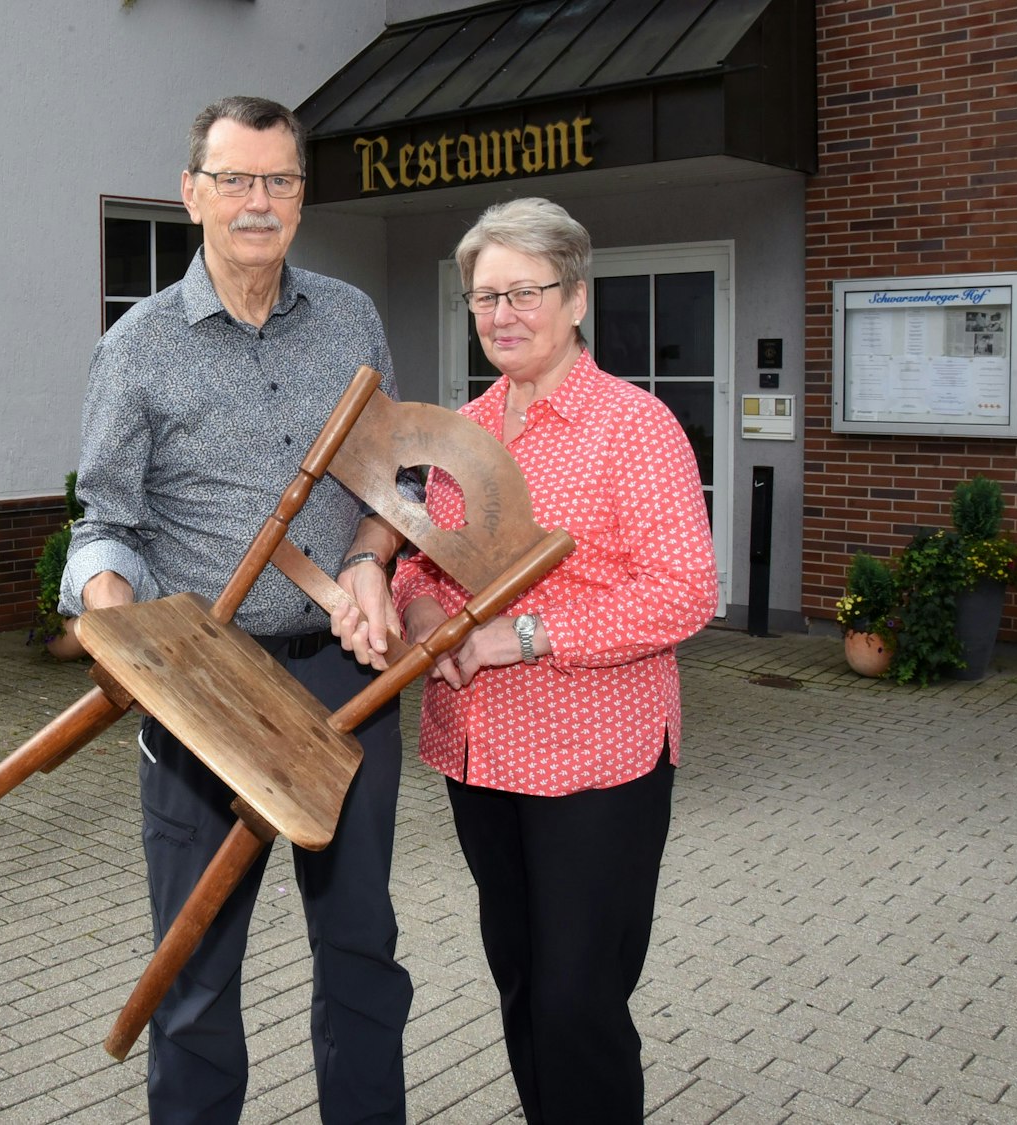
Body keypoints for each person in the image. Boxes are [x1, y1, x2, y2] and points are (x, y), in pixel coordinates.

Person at [59, 96, 411, 1124]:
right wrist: (117, 620)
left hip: (344, 681)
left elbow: (390, 485)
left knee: (359, 951)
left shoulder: (351, 317)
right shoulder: (135, 348)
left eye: (280, 181)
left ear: (301, 196)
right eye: (236, 180)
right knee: (196, 974)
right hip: (200, 696)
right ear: (192, 194)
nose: (259, 203)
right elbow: (104, 521)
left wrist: (371, 563)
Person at [390, 197, 717, 1122]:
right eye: (484, 296)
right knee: (524, 981)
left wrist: (519, 637)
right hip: (481, 752)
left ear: (575, 298)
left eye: (524, 291)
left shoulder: (634, 427)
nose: (502, 314)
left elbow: (684, 590)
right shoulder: (462, 432)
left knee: (580, 999)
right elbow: (418, 554)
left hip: (597, 762)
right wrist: (420, 613)